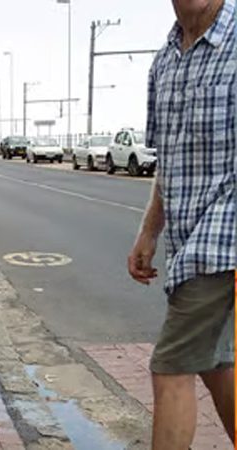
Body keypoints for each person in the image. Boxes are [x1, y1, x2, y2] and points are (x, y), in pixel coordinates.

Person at [127, 0, 235, 448]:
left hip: (223, 237)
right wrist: (149, 231)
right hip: (188, 239)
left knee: (170, 366)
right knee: (213, 362)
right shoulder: (165, 60)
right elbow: (168, 163)